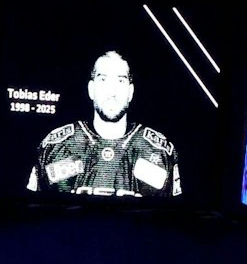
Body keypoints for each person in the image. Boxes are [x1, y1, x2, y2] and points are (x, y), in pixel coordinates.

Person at [28, 50, 181, 197]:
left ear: (130, 92)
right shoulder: (56, 146)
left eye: (120, 81)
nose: (112, 92)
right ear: (91, 89)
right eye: (103, 80)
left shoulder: (158, 151)